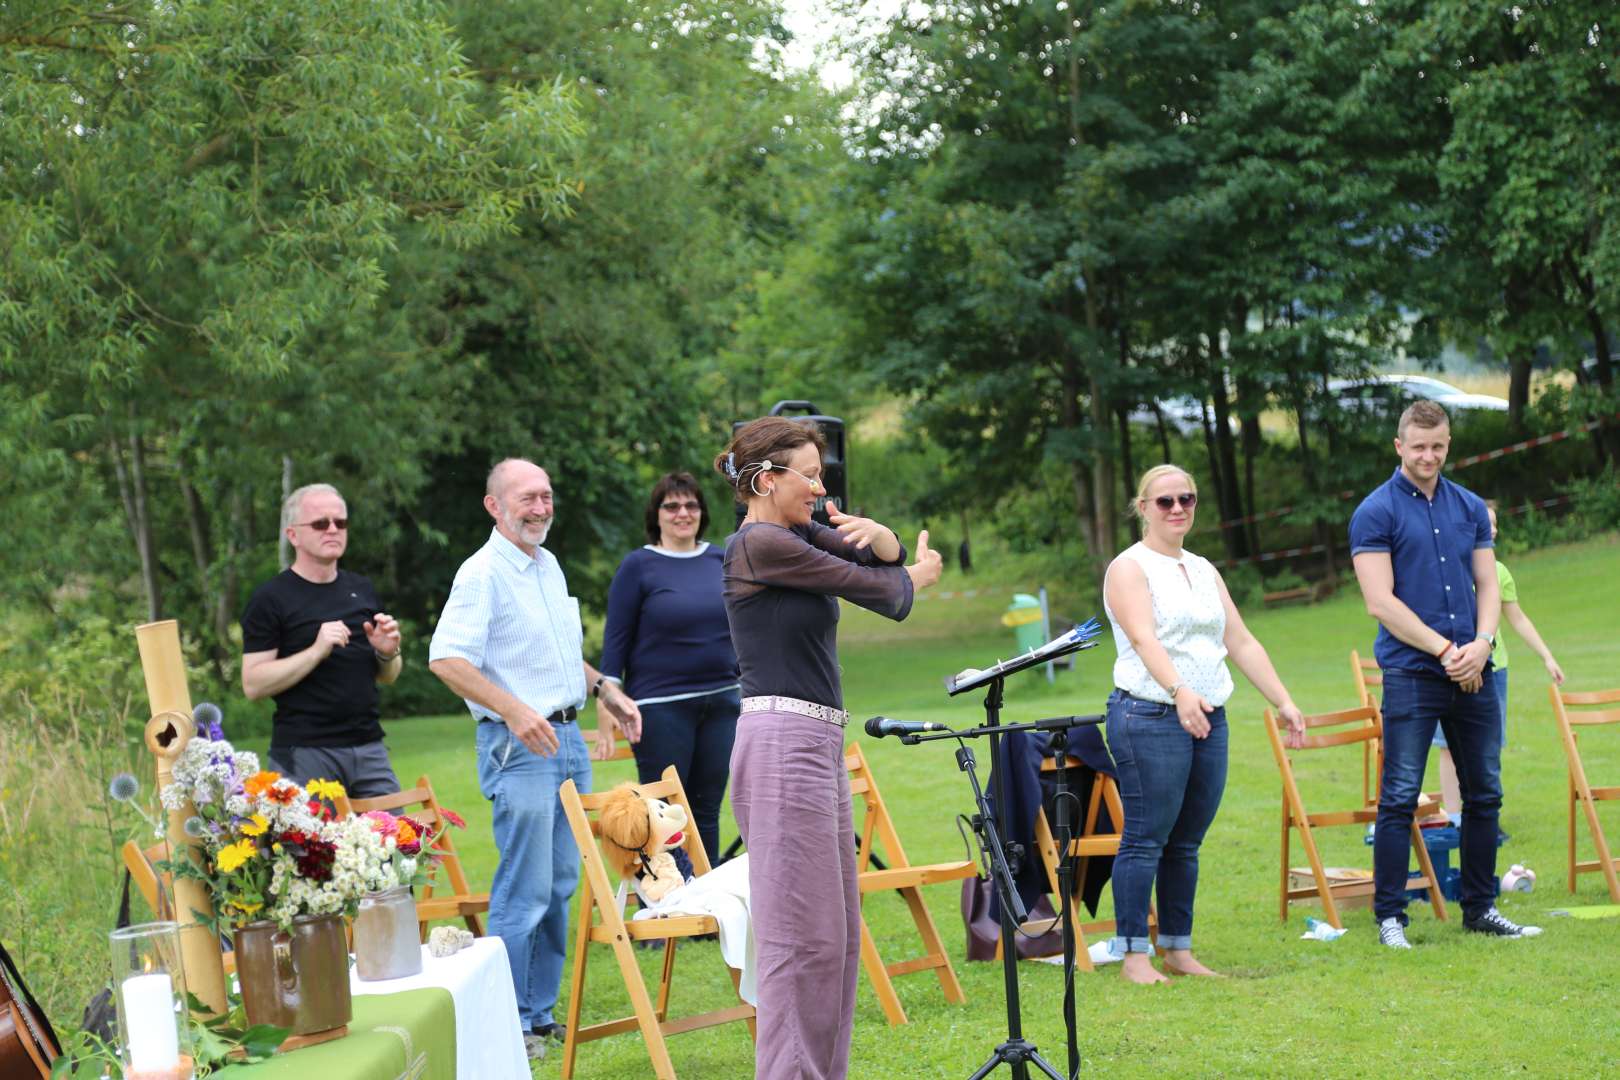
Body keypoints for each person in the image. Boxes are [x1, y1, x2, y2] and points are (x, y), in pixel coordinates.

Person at [716, 416, 941, 1080]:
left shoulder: (794, 533)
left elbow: (871, 556)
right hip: (781, 743)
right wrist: (916, 573)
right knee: (798, 938)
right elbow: (873, 590)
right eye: (808, 475)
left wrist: (888, 539)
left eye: (822, 474)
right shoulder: (758, 544)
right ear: (765, 480)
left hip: (814, 740)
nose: (819, 487)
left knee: (835, 937)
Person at [427, 458, 644, 1058]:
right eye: (526, 498)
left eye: (546, 496)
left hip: (569, 740)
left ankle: (538, 1014)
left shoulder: (546, 565)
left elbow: (553, 657)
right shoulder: (481, 574)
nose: (540, 508)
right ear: (494, 506)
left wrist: (606, 688)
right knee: (525, 886)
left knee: (561, 882)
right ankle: (508, 1022)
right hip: (518, 745)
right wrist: (517, 711)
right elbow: (446, 659)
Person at [1102, 464, 1306, 984]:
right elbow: (1145, 639)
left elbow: (1239, 640)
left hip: (1210, 714)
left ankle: (1177, 949)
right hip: (1149, 714)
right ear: (1143, 508)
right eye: (1165, 501)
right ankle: (1133, 957)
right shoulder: (1130, 568)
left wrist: (1283, 700)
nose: (1177, 509)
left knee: (1186, 840)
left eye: (1186, 499)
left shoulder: (1202, 568)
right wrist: (1178, 691)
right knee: (1146, 837)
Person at [1349, 400, 1540, 947]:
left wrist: (1481, 644)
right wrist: (1445, 650)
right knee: (1400, 796)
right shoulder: (1374, 511)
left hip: (1472, 668)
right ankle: (1390, 918)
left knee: (1485, 793)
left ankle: (1480, 909)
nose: (1427, 456)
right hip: (1412, 672)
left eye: (1437, 446)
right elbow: (1379, 602)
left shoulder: (1471, 507)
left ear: (1447, 446)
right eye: (1418, 447)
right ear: (1399, 447)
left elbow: (1488, 585)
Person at [597, 472, 740, 863]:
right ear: (656, 514)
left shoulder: (720, 558)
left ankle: (705, 912)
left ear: (702, 512)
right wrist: (608, 696)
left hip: (723, 702)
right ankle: (670, 907)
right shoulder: (638, 566)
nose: (683, 513)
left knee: (706, 811)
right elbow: (616, 642)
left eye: (691, 505)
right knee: (664, 813)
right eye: (672, 505)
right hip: (661, 708)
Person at [241, 482, 404, 797]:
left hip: (369, 748)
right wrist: (316, 651)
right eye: (320, 523)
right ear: (293, 535)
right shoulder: (271, 599)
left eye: (340, 522)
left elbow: (388, 676)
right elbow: (253, 684)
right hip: (304, 753)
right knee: (311, 848)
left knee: (395, 844)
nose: (333, 529)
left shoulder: (363, 590)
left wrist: (387, 653)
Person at [1432, 500, 1566, 819]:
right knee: (1449, 746)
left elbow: (1517, 619)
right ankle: (1454, 818)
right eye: (1486, 522)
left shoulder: (1500, 571)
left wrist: (1546, 656)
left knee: (1487, 748)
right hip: (1451, 668)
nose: (1492, 529)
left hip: (1495, 669)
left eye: (1494, 524)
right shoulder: (1446, 568)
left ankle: (1485, 816)